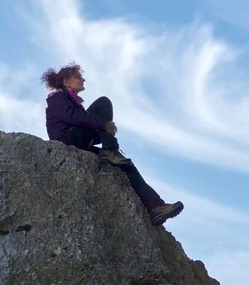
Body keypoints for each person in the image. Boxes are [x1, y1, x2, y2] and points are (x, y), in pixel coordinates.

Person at [42, 63, 184, 226]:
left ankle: (155, 207)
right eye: (78, 77)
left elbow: (85, 124)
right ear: (66, 81)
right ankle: (111, 150)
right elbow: (73, 118)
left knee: (126, 165)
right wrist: (104, 124)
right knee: (103, 103)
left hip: (79, 141)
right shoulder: (57, 98)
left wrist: (103, 128)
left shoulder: (74, 102)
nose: (83, 79)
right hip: (67, 141)